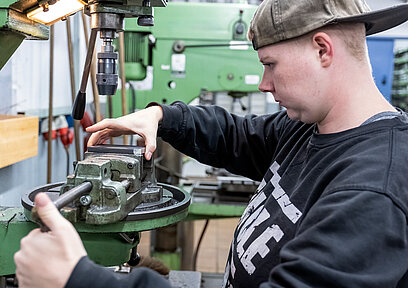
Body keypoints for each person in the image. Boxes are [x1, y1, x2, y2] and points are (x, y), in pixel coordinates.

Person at [14, 0, 408, 287]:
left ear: (322, 49)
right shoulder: (310, 128)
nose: (263, 83)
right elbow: (238, 135)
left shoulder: (372, 189)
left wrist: (81, 280)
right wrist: (161, 116)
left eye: (270, 64)